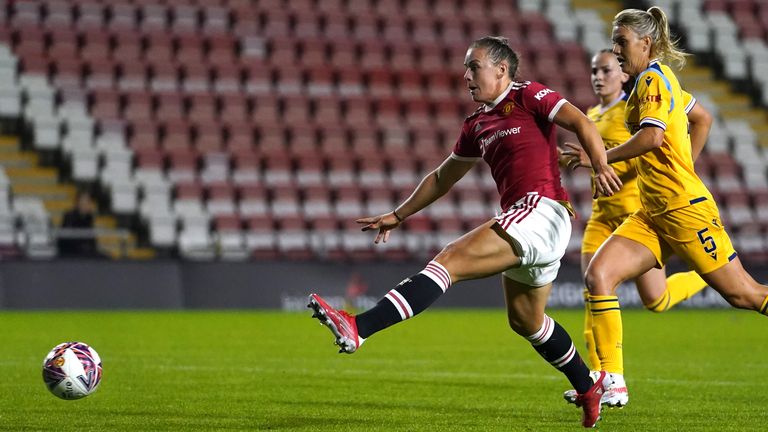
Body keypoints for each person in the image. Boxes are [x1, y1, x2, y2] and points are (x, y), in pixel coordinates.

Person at [308, 36, 623, 428]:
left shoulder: (528, 95)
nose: (466, 76)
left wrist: (602, 163)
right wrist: (399, 214)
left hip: (542, 209)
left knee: (449, 260)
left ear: (501, 70)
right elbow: (443, 176)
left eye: (474, 67)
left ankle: (359, 327)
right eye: (465, 68)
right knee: (526, 321)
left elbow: (578, 120)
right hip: (529, 222)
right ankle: (588, 384)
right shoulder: (476, 124)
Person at [560, 6, 768, 407]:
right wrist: (686, 164)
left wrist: (601, 158)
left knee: (746, 296)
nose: (615, 49)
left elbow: (653, 138)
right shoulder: (648, 82)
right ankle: (612, 380)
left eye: (621, 41)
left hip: (684, 212)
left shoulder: (654, 79)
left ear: (645, 42)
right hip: (653, 213)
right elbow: (702, 118)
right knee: (599, 275)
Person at [560, 49, 714, 408]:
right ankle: (598, 381)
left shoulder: (635, 108)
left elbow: (649, 151)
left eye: (606, 70)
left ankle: (706, 274)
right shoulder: (592, 116)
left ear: (622, 75)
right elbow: (596, 164)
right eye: (594, 71)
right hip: (601, 216)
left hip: (634, 212)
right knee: (592, 292)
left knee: (656, 300)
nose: (599, 77)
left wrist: (601, 160)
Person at [57, 189, 100, 257]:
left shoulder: (89, 217)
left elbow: (91, 239)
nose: (86, 204)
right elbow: (66, 239)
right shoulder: (69, 216)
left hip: (86, 252)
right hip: (70, 253)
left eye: (88, 201)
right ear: (77, 202)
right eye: (84, 201)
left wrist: (92, 249)